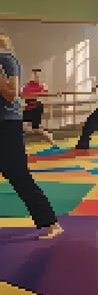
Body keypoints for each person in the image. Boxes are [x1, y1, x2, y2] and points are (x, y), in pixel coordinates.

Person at [0, 34, 63, 239]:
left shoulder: (7, 60)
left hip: (7, 124)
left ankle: (51, 222)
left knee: (18, 174)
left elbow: (11, 95)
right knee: (15, 173)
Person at [21, 69, 57, 148]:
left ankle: (51, 140)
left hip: (35, 107)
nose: (36, 76)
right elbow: (24, 94)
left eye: (37, 75)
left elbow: (44, 93)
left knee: (19, 120)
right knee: (36, 129)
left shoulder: (40, 86)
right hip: (32, 107)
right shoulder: (29, 86)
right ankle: (51, 140)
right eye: (35, 75)